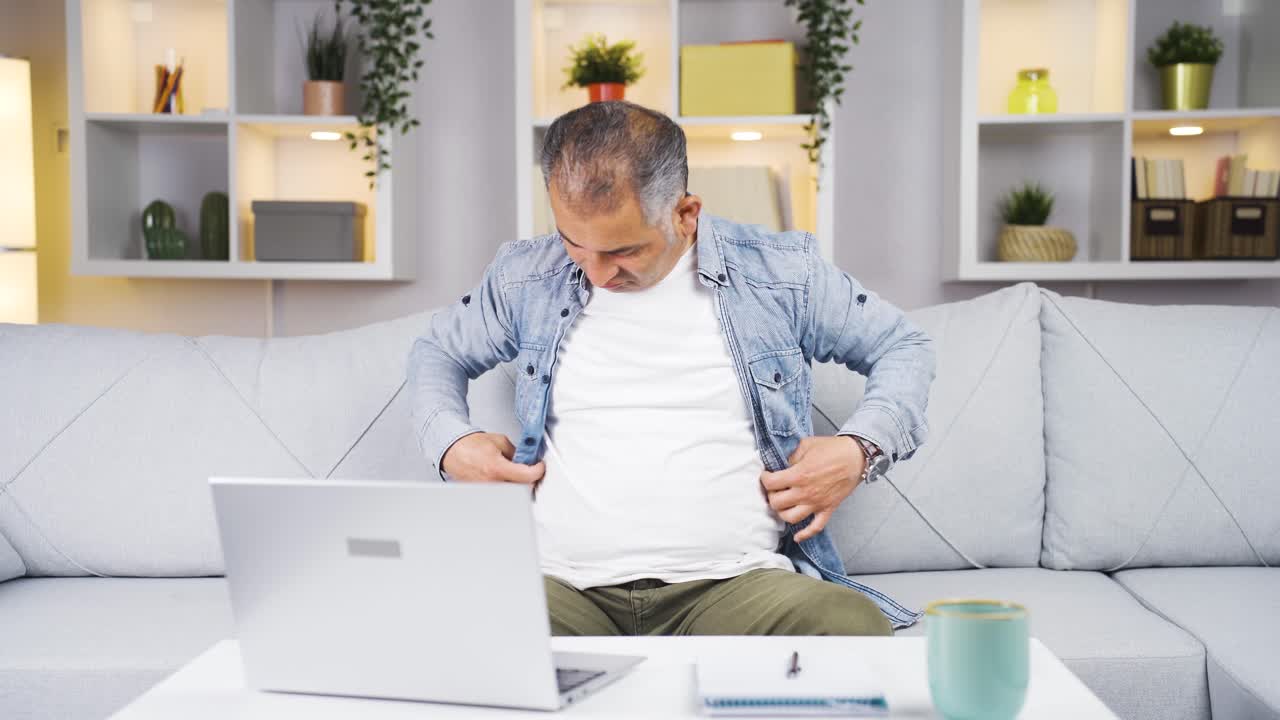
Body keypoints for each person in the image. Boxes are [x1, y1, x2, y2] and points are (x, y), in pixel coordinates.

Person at [408, 101, 935, 636]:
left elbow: (904, 346)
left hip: (735, 586)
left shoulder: (780, 272)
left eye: (623, 251)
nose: (596, 273)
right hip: (561, 587)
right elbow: (437, 352)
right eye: (574, 243)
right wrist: (452, 444)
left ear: (685, 213)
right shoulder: (525, 275)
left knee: (849, 624)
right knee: (446, 623)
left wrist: (859, 449)